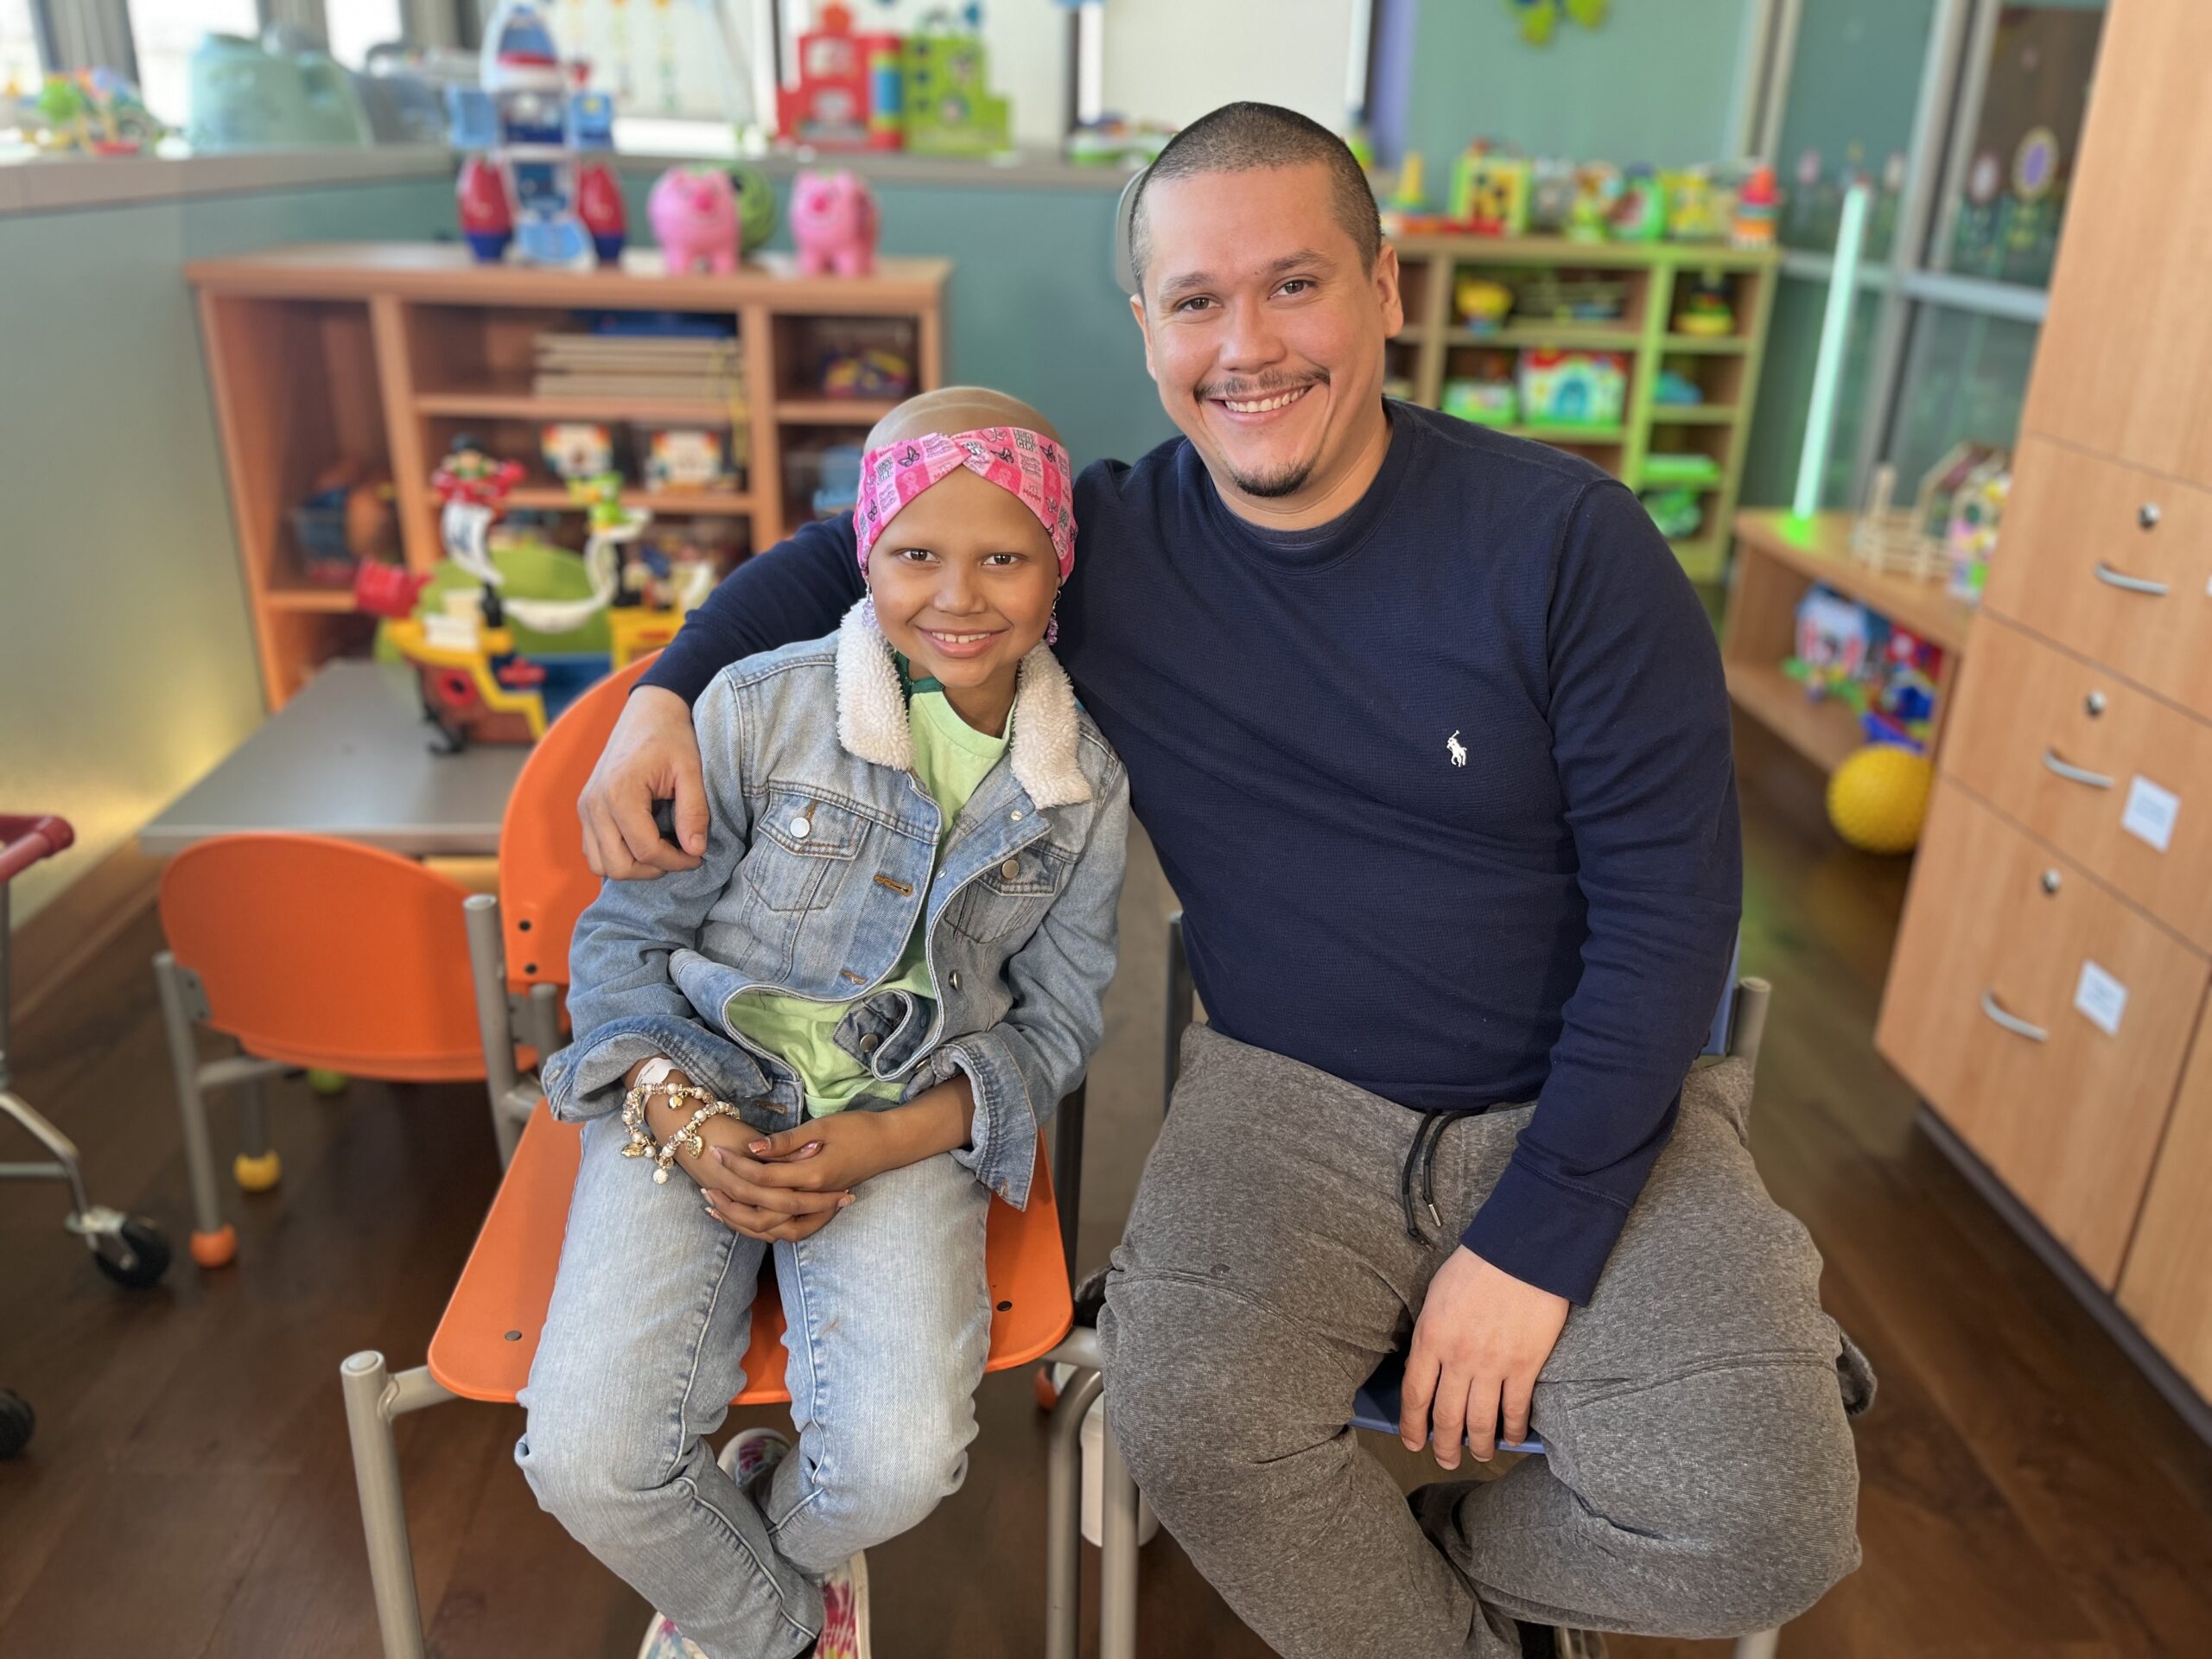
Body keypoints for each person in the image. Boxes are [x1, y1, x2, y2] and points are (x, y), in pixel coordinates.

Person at [577, 104, 1869, 1658]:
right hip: (1285, 1108)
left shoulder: (1570, 547)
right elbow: (847, 555)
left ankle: (1442, 1569)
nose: (1247, 347)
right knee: (1186, 1424)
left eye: (1295, 285)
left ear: (1384, 288)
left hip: (1590, 1101)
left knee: (1769, 1523)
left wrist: (1539, 1240)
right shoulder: (1098, 551)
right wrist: (665, 691)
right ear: (1147, 330)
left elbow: (1673, 919)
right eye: (1197, 301)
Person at [520, 389, 1129, 1659]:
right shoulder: (752, 708)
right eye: (916, 554)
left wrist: (896, 1137)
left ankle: (747, 1570)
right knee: (585, 1460)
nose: (957, 596)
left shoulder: (1083, 786)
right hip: (689, 1089)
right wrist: (680, 1119)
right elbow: (623, 947)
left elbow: (1063, 1018)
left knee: (899, 1468)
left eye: (1003, 559)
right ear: (865, 554)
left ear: (1058, 566)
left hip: (902, 1124)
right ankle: (787, 1630)